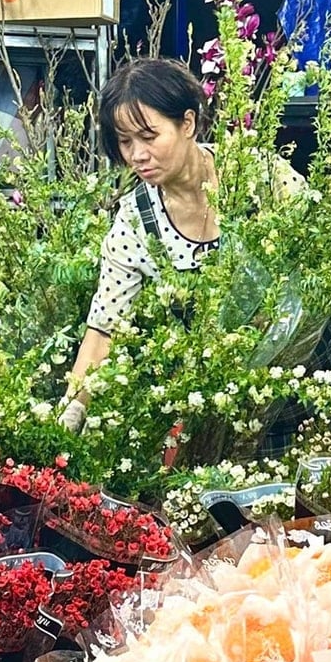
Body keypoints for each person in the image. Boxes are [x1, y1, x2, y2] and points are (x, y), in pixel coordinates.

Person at [65, 60, 220, 419]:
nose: (137, 155)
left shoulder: (254, 175)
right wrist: (71, 412)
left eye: (149, 137)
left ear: (187, 123)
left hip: (313, 370)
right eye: (125, 142)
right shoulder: (135, 221)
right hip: (223, 401)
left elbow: (325, 250)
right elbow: (104, 331)